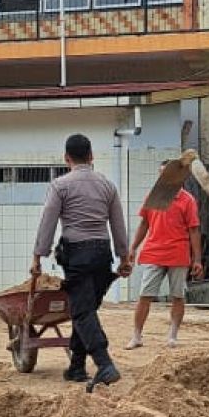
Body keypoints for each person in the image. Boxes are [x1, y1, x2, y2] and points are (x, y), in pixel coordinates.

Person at [31, 134, 131, 389]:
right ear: (91, 156)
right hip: (102, 253)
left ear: (67, 159)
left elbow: (48, 223)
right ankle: (76, 366)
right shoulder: (107, 185)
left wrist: (37, 258)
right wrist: (124, 258)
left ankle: (104, 363)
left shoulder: (60, 185)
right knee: (86, 308)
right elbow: (118, 225)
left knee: (82, 311)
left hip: (76, 254)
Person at [125, 164, 202, 349]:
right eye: (160, 174)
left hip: (178, 253)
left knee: (177, 295)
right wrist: (133, 247)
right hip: (153, 252)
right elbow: (144, 223)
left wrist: (197, 259)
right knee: (145, 295)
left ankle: (173, 336)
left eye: (165, 174)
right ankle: (136, 336)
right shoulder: (153, 196)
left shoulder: (187, 200)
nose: (161, 178)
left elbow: (194, 230)